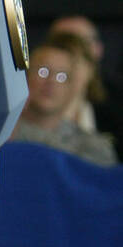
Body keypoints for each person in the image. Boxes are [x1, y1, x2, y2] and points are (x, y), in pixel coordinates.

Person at [10, 33, 117, 166]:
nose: (51, 82)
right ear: (25, 77)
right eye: (43, 72)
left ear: (72, 88)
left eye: (61, 76)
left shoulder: (93, 147)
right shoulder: (1, 136)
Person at [49, 14, 123, 157]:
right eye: (60, 44)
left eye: (80, 45)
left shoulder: (117, 103)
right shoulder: (27, 102)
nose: (69, 58)